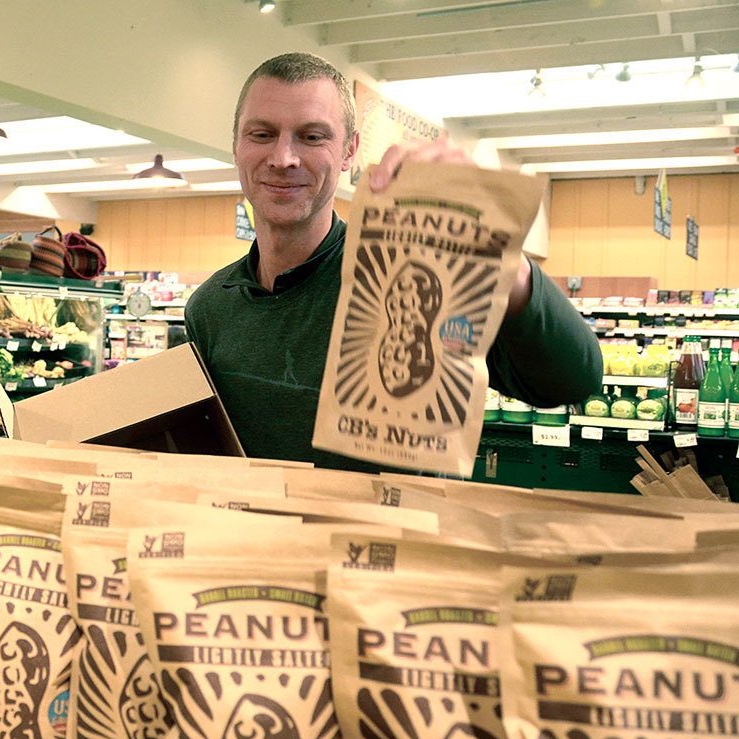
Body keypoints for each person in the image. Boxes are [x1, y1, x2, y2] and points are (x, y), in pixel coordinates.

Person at [185, 53, 602, 470]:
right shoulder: (209, 308)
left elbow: (572, 380)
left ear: (349, 152)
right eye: (261, 134)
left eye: (312, 137)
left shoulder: (411, 275)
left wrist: (497, 254)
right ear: (236, 145)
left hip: (395, 534)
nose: (284, 157)